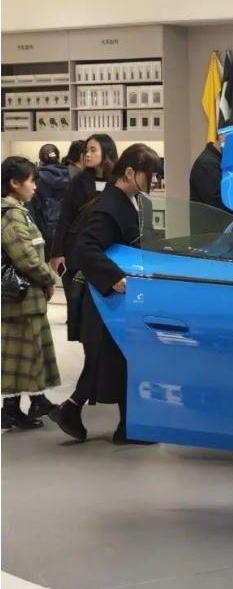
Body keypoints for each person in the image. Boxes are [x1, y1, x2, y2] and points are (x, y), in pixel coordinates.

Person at [49, 144, 160, 445]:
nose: (153, 181)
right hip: (104, 298)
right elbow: (86, 248)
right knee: (117, 359)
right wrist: (114, 278)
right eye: (149, 175)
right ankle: (124, 427)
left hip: (110, 297)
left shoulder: (126, 201)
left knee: (112, 359)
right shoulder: (110, 205)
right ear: (130, 173)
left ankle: (81, 413)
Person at [2, 156, 61, 428]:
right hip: (21, 300)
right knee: (21, 356)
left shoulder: (18, 211)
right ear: (15, 183)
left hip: (26, 300)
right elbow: (26, 257)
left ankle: (33, 401)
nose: (35, 186)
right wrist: (49, 277)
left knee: (28, 355)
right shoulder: (11, 215)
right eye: (31, 180)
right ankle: (11, 410)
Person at [49, 134, 117, 342]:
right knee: (79, 302)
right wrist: (57, 252)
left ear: (106, 152)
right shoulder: (78, 181)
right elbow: (65, 218)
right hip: (76, 250)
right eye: (86, 150)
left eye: (93, 150)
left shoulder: (117, 181)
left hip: (107, 251)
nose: (87, 154)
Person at [29, 145, 72, 261]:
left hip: (44, 222)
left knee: (46, 258)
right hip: (65, 222)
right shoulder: (70, 174)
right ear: (58, 156)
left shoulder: (37, 176)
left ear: (40, 158)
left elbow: (33, 203)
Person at [189, 133, 230, 212]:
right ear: (223, 137)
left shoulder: (217, 161)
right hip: (213, 219)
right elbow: (219, 207)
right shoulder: (207, 164)